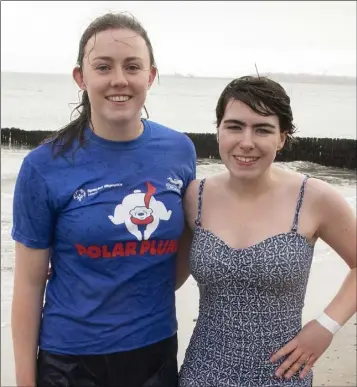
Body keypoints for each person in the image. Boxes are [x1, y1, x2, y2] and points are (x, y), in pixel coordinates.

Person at [11, 12, 196, 387]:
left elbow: (185, 246)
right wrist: (25, 381)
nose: (119, 80)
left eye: (132, 66)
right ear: (81, 77)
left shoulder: (179, 151)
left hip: (155, 349)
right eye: (103, 66)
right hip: (71, 361)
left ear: (151, 76)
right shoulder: (43, 166)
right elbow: (29, 285)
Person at [177, 76, 356, 386]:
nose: (247, 142)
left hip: (282, 373)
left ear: (281, 138)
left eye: (262, 129)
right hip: (202, 370)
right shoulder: (195, 197)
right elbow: (166, 278)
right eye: (234, 126)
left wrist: (326, 326)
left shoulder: (314, 197)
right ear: (218, 131)